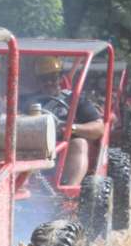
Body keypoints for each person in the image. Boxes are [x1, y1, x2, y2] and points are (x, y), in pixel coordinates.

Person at [20, 56, 104, 186]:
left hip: (65, 148)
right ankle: (18, 187)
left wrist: (71, 128)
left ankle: (69, 190)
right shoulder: (27, 101)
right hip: (34, 146)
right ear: (38, 81)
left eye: (53, 78)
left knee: (79, 143)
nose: (49, 83)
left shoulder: (74, 99)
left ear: (60, 78)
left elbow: (99, 128)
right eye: (44, 79)